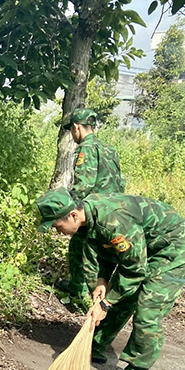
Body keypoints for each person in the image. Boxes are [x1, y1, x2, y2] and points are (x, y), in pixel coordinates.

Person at [36, 187, 185, 370]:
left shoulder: (113, 222)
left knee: (148, 307)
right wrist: (102, 281)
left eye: (56, 224)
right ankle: (96, 344)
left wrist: (106, 303)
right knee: (121, 294)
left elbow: (135, 270)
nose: (55, 230)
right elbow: (103, 250)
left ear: (73, 215)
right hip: (143, 247)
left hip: (173, 247)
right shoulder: (90, 215)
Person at [60, 108, 126, 303]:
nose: (73, 135)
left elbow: (84, 184)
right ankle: (101, 289)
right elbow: (120, 181)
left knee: (78, 248)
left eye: (72, 131)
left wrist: (70, 207)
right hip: (114, 208)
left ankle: (79, 292)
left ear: (76, 127)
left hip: (93, 209)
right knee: (103, 251)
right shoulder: (108, 149)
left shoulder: (85, 148)